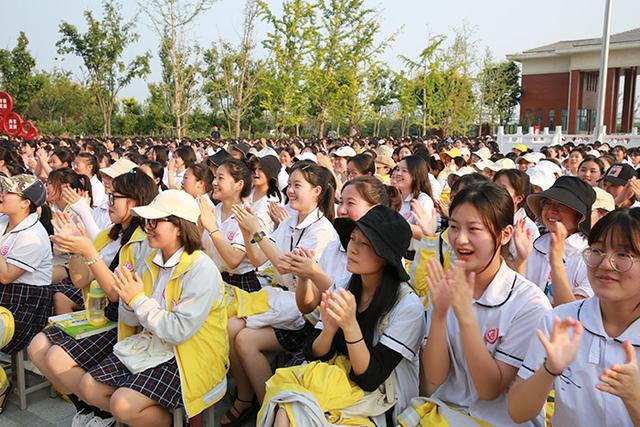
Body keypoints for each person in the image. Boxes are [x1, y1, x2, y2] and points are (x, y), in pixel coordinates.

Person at [259, 205, 425, 427]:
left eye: (364, 244)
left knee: (293, 413)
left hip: (382, 399)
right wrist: (328, 330)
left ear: (386, 257)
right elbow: (314, 353)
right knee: (287, 408)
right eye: (353, 239)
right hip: (340, 380)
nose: (352, 248)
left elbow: (371, 378)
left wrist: (350, 326)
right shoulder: (346, 285)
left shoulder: (406, 305)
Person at [76, 190, 228, 426]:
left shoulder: (201, 269)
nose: (148, 227)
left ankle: (178, 422)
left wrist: (137, 300)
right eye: (148, 221)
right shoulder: (150, 261)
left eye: (156, 221)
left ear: (179, 227)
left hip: (188, 355)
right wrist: (127, 299)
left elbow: (178, 331)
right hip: (152, 345)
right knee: (89, 387)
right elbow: (132, 319)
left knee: (123, 403)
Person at [28, 169, 158, 426]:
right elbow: (80, 280)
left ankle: (102, 411)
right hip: (98, 311)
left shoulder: (143, 241)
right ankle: (88, 406)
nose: (108, 204)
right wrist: (75, 247)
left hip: (123, 321)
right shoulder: (110, 233)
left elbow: (116, 293)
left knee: (57, 357)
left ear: (134, 201)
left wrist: (88, 250)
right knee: (37, 347)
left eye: (114, 198)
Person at [420, 182, 551, 426]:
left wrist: (465, 317)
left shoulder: (528, 303)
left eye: (474, 229)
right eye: (453, 227)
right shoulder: (448, 284)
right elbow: (436, 376)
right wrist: (438, 315)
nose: (460, 240)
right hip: (448, 414)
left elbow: (489, 390)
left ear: (505, 234)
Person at [222, 163, 337, 425]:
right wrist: (245, 228)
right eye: (291, 185)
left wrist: (257, 230)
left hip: (306, 314)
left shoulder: (321, 231)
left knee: (244, 340)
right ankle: (246, 396)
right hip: (282, 302)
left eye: (298, 186)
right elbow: (258, 257)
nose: (291, 191)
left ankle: (266, 407)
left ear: (317, 191)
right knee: (230, 328)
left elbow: (287, 265)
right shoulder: (289, 223)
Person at [508, 208, 640, 426]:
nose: (606, 264)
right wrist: (549, 370)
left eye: (623, 255)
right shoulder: (561, 322)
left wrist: (635, 398)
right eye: (597, 250)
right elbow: (518, 412)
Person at [0, 175, 51, 413]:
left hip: (23, 307)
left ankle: (1, 386)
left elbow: (7, 275)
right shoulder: (3, 220)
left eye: (8, 192)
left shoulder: (33, 235)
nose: (2, 195)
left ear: (25, 203)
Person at [524, 177, 597, 306]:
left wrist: (556, 260)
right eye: (547, 203)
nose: (551, 210)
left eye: (561, 204)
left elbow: (573, 311)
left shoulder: (591, 256)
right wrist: (519, 260)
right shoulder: (537, 245)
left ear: (579, 215)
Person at [198, 159, 261, 292]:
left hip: (239, 283)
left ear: (239, 184)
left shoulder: (247, 215)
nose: (214, 182)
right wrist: (199, 226)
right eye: (215, 177)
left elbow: (233, 260)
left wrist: (211, 228)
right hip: (213, 278)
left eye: (220, 178)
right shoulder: (213, 211)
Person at [392, 155, 434, 257]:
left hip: (412, 259)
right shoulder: (395, 197)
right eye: (398, 169)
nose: (398, 173)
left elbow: (423, 234)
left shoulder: (423, 200)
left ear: (416, 175)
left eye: (404, 171)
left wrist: (395, 223)